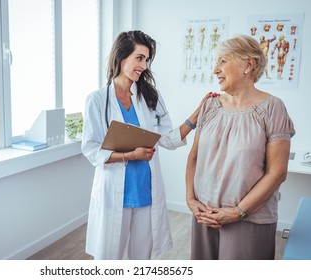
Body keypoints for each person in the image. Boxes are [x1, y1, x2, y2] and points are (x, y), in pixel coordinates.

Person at [81, 30, 216, 260]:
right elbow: (91, 148)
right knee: (108, 258)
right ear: (121, 56)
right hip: (114, 191)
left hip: (145, 189)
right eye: (139, 58)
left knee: (142, 258)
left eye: (147, 59)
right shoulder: (97, 100)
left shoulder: (149, 96)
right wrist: (129, 155)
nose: (144, 65)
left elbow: (168, 138)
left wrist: (197, 114)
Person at [185, 34, 295, 260]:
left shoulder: (273, 108)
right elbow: (194, 158)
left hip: (249, 218)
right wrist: (190, 200)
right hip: (204, 216)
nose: (216, 70)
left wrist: (238, 212)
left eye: (223, 62)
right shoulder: (209, 105)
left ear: (248, 64)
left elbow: (277, 173)